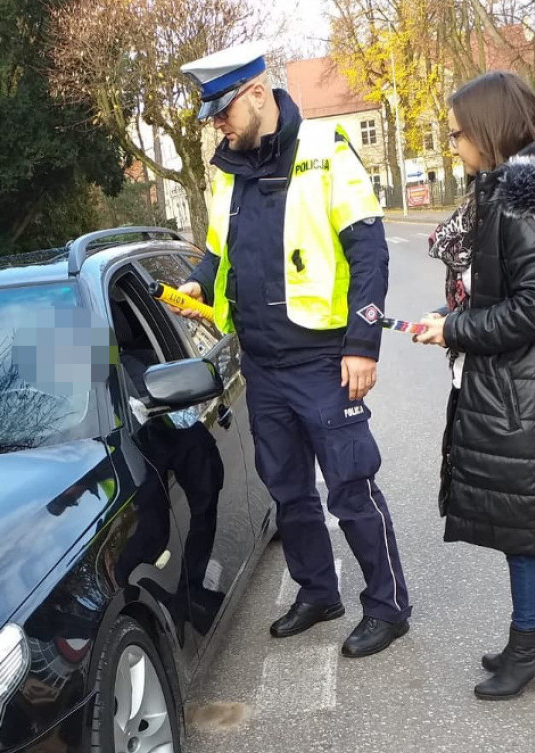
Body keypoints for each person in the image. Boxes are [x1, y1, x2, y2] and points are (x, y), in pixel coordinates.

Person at [174, 42, 412, 657]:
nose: (218, 126)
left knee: (351, 488)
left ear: (257, 94)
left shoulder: (327, 152)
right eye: (212, 118)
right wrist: (199, 280)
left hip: (324, 360)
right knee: (288, 491)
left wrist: (363, 344)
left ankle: (388, 607)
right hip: (262, 364)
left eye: (223, 111)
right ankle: (317, 592)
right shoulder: (228, 173)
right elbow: (216, 252)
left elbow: (369, 254)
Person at [412, 71, 535, 698]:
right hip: (523, 383)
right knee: (519, 519)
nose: (453, 144)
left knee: (525, 524)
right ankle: (532, 639)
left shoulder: (519, 207)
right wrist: (452, 320)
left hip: (530, 388)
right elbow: (513, 294)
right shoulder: (508, 195)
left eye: (458, 133)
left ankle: (531, 645)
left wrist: (456, 331)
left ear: (488, 132)